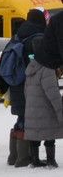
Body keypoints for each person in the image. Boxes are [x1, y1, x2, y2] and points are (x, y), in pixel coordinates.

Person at [8, 9, 48, 167]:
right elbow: (40, 64)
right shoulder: (37, 36)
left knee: (22, 118)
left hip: (16, 83)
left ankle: (15, 156)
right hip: (31, 85)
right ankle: (24, 158)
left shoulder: (18, 35)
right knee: (29, 119)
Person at [22, 12, 63, 168]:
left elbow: (26, 91)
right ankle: (51, 160)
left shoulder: (31, 68)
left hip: (32, 110)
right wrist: (60, 111)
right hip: (45, 109)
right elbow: (52, 93)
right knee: (49, 135)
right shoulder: (47, 69)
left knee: (35, 136)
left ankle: (34, 160)